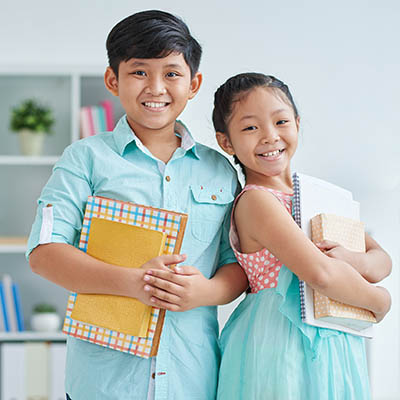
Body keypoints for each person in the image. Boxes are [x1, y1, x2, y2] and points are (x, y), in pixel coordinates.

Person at [26, 11, 247, 400]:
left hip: (192, 381)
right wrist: (135, 283)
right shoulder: (84, 159)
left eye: (172, 74)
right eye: (140, 72)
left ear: (193, 84)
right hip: (102, 384)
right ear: (113, 80)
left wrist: (205, 292)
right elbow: (44, 253)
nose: (156, 87)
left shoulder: (221, 172)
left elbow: (238, 266)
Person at [210, 72, 392, 399]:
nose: (269, 136)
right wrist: (381, 301)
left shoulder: (318, 195)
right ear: (226, 142)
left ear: (296, 123)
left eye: (280, 121)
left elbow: (382, 261)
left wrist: (352, 259)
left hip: (334, 332)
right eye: (250, 127)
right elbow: (320, 273)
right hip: (282, 336)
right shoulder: (256, 201)